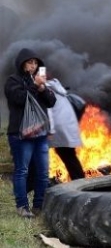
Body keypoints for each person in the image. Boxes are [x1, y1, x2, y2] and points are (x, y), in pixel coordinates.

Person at [4, 48, 56, 217]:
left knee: (43, 172)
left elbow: (51, 102)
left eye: (35, 63)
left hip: (40, 134)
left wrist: (43, 89)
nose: (33, 66)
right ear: (22, 64)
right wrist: (34, 86)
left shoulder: (38, 82)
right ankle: (22, 207)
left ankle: (39, 206)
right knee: (22, 171)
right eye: (30, 62)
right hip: (20, 135)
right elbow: (19, 99)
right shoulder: (13, 81)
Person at [46, 78, 86, 181]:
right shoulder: (58, 89)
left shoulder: (45, 90)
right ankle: (79, 181)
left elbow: (47, 112)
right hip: (68, 127)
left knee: (67, 155)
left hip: (58, 128)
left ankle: (79, 182)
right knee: (69, 156)